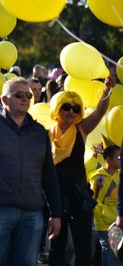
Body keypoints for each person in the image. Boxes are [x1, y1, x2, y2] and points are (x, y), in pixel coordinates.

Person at [0, 77, 62, 265]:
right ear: (4, 100)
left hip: (32, 214)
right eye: (18, 95)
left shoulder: (39, 132)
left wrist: (56, 213)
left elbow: (49, 175)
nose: (25, 98)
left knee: (26, 263)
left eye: (28, 95)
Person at [47, 76, 114, 266]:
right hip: (56, 195)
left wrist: (107, 89)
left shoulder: (81, 129)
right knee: (56, 245)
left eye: (76, 108)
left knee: (83, 244)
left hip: (79, 194)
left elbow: (101, 111)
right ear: (57, 108)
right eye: (66, 107)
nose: (71, 111)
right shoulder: (46, 133)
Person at [88, 145, 121, 266]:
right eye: (118, 157)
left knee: (117, 250)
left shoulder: (120, 175)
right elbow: (95, 197)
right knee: (107, 250)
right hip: (104, 222)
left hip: (118, 220)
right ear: (108, 159)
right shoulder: (100, 177)